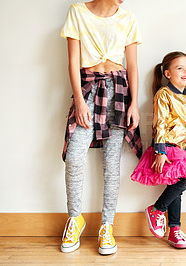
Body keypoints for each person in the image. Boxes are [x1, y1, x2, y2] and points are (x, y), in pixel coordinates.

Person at [60, 0, 142, 255]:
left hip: (119, 91)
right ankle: (75, 218)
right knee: (74, 157)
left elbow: (133, 66)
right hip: (88, 88)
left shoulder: (128, 18)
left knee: (111, 164)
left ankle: (107, 226)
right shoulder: (77, 12)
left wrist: (134, 104)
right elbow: (73, 61)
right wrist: (80, 101)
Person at [131, 51, 186, 249]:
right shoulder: (163, 94)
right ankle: (157, 209)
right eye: (180, 68)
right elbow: (160, 123)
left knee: (178, 188)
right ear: (167, 73)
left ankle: (174, 230)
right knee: (185, 180)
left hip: (183, 149)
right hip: (168, 148)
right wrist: (160, 151)